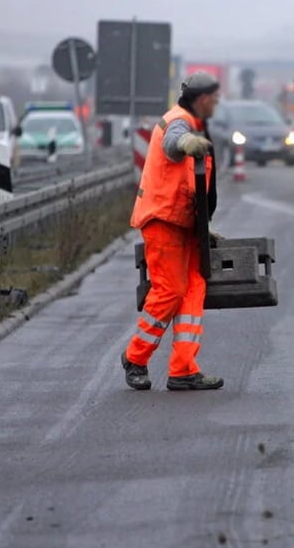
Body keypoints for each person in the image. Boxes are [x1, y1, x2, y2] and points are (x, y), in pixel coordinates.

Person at [121, 71, 225, 391]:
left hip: (186, 224)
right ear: (203, 99)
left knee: (193, 289)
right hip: (164, 220)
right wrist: (186, 142)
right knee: (170, 290)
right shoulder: (179, 121)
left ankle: (183, 369)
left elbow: (194, 184)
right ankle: (135, 358)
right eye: (215, 99)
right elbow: (172, 143)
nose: (217, 104)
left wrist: (203, 227)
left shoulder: (195, 124)